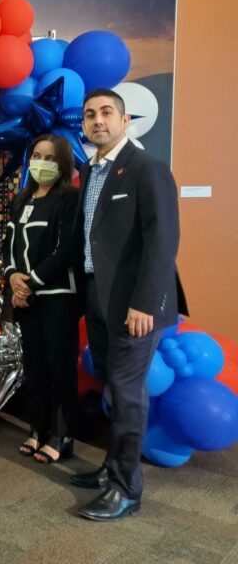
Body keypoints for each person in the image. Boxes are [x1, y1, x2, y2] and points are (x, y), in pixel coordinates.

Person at [63, 89, 180, 521]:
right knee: (112, 387)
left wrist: (145, 303)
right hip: (98, 297)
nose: (98, 121)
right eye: (90, 115)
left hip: (135, 305)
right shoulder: (92, 171)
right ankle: (112, 467)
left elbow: (162, 242)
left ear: (125, 120)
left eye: (107, 113)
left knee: (128, 394)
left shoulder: (147, 169)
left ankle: (126, 488)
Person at [2, 134, 81, 465]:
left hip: (57, 296)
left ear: (62, 163)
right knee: (34, 366)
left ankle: (62, 435)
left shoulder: (69, 199)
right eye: (37, 155)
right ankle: (37, 429)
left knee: (59, 365)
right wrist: (11, 277)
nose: (42, 163)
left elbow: (67, 251)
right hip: (26, 297)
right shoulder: (21, 199)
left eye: (50, 158)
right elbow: (7, 244)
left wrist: (30, 282)